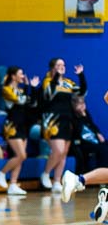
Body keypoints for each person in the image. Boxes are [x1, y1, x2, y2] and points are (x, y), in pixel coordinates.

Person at [40, 58, 85, 193]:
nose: (62, 67)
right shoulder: (48, 81)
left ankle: (57, 181)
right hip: (52, 121)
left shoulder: (68, 83)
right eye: (58, 65)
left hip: (67, 120)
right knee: (58, 151)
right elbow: (48, 94)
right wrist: (56, 77)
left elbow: (81, 91)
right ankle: (46, 173)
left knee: (64, 153)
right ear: (52, 68)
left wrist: (81, 75)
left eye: (63, 65)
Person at [0, 67, 39, 196]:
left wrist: (33, 88)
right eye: (20, 74)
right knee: (21, 155)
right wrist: (26, 88)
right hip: (12, 125)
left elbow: (32, 103)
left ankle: (13, 183)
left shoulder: (20, 90)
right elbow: (20, 100)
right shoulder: (6, 89)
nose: (22, 75)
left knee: (20, 157)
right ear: (13, 76)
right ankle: (1, 173)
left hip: (22, 125)